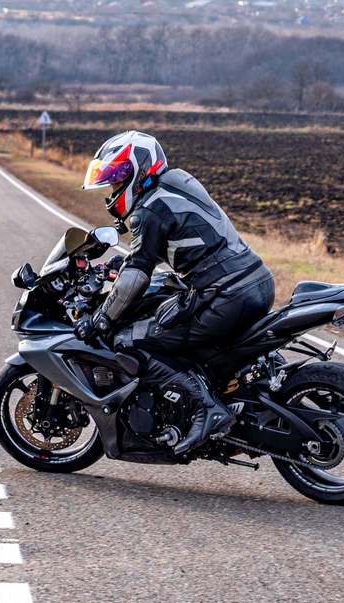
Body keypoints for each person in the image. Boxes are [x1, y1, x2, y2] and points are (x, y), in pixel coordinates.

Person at [74, 131, 275, 456]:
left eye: (116, 180)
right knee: (171, 316)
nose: (113, 190)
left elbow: (138, 276)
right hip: (257, 282)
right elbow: (183, 244)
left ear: (137, 173)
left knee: (130, 340)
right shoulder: (177, 182)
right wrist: (122, 264)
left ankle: (204, 408)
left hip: (223, 297)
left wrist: (101, 319)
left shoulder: (147, 211)